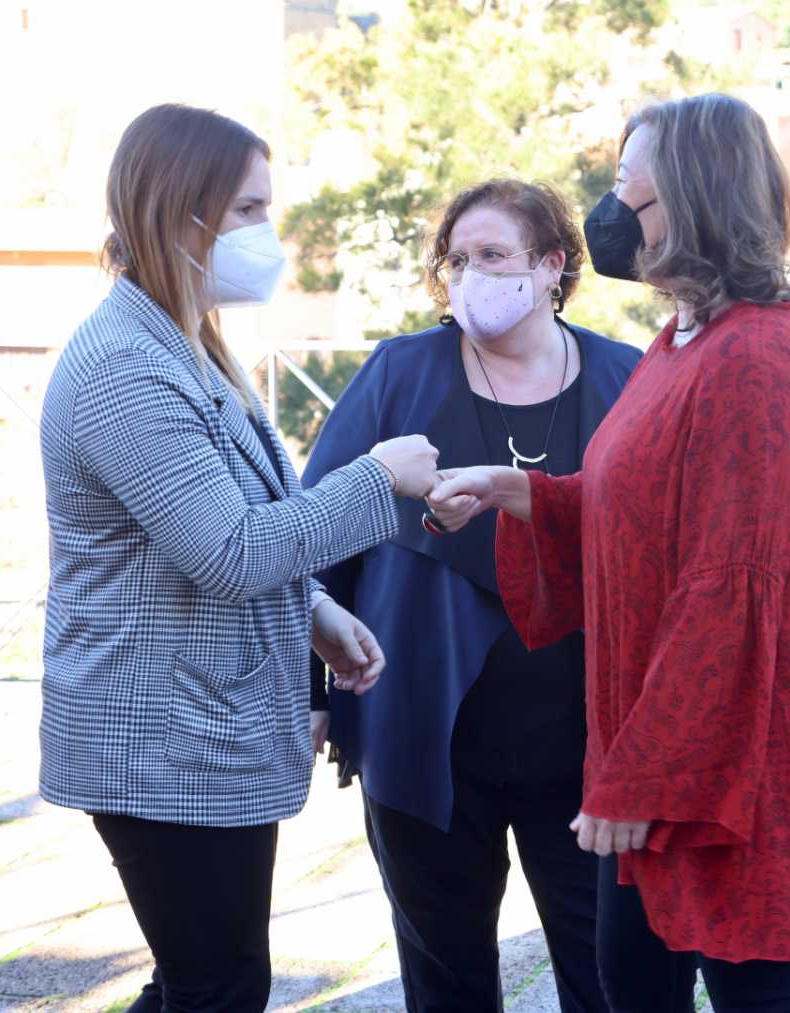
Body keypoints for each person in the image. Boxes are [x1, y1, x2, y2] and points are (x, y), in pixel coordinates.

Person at [428, 92, 790, 1013]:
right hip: (669, 741)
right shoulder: (681, 338)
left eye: (629, 190)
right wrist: (527, 495)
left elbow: (726, 587)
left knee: (760, 996)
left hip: (738, 760)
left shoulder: (753, 356)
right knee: (631, 983)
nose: (609, 214)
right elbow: (649, 510)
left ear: (693, 201)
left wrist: (644, 776)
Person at [37, 104, 440, 1013]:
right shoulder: (126, 367)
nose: (269, 233)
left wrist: (313, 613)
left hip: (196, 728)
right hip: (158, 739)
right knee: (217, 985)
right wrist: (381, 479)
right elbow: (228, 550)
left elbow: (226, 523)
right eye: (249, 210)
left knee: (201, 979)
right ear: (184, 213)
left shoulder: (185, 339)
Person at [303, 178, 641, 1013]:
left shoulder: (629, 376)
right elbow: (313, 533)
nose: (469, 274)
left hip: (590, 742)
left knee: (607, 966)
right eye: (456, 259)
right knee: (446, 973)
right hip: (425, 730)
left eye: (491, 255)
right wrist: (311, 686)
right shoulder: (398, 371)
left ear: (552, 266)